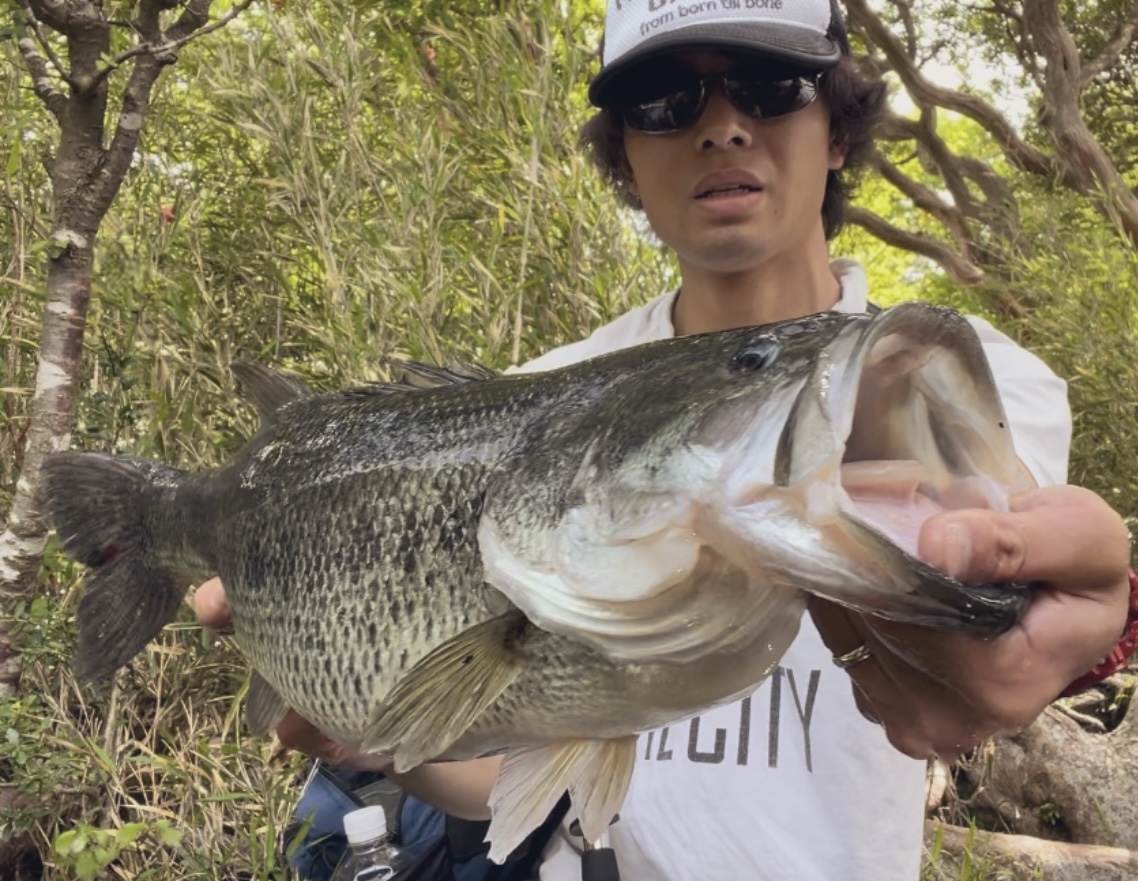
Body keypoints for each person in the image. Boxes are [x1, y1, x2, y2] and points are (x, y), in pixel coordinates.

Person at [194, 1, 1136, 878]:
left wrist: (1101, 625)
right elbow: (516, 778)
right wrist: (385, 741)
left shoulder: (962, 385)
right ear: (625, 158)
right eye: (665, 100)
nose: (722, 126)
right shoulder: (540, 395)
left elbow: (1010, 612)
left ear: (839, 127)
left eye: (771, 88)